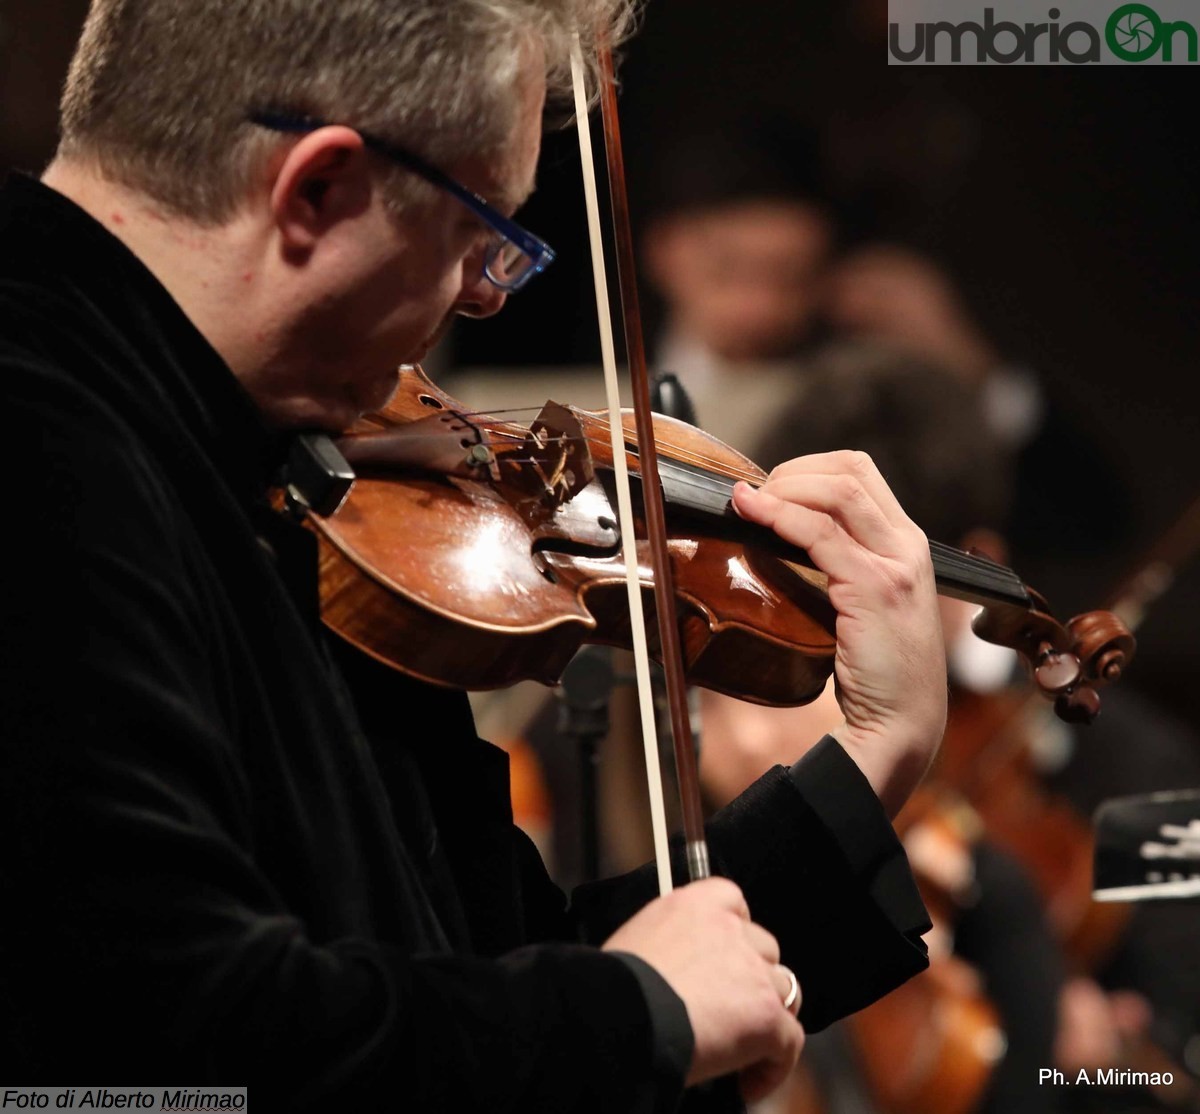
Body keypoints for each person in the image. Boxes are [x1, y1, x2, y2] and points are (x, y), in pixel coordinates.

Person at [0, 2, 949, 1111]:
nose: (486, 293)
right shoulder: (41, 447)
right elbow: (163, 1050)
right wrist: (632, 1013)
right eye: (479, 232)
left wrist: (870, 762)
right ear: (317, 193)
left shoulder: (302, 470)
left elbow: (484, 975)